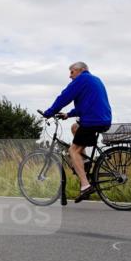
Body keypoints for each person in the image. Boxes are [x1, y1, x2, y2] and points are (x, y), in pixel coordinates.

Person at [41, 61, 112, 202]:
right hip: (102, 119)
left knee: (73, 151)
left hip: (92, 121)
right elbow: (85, 105)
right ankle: (84, 161)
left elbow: (64, 97)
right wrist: (68, 114)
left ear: (80, 70)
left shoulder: (82, 79)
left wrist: (49, 112)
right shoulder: (94, 80)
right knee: (75, 128)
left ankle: (85, 185)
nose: (70, 76)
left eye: (72, 72)